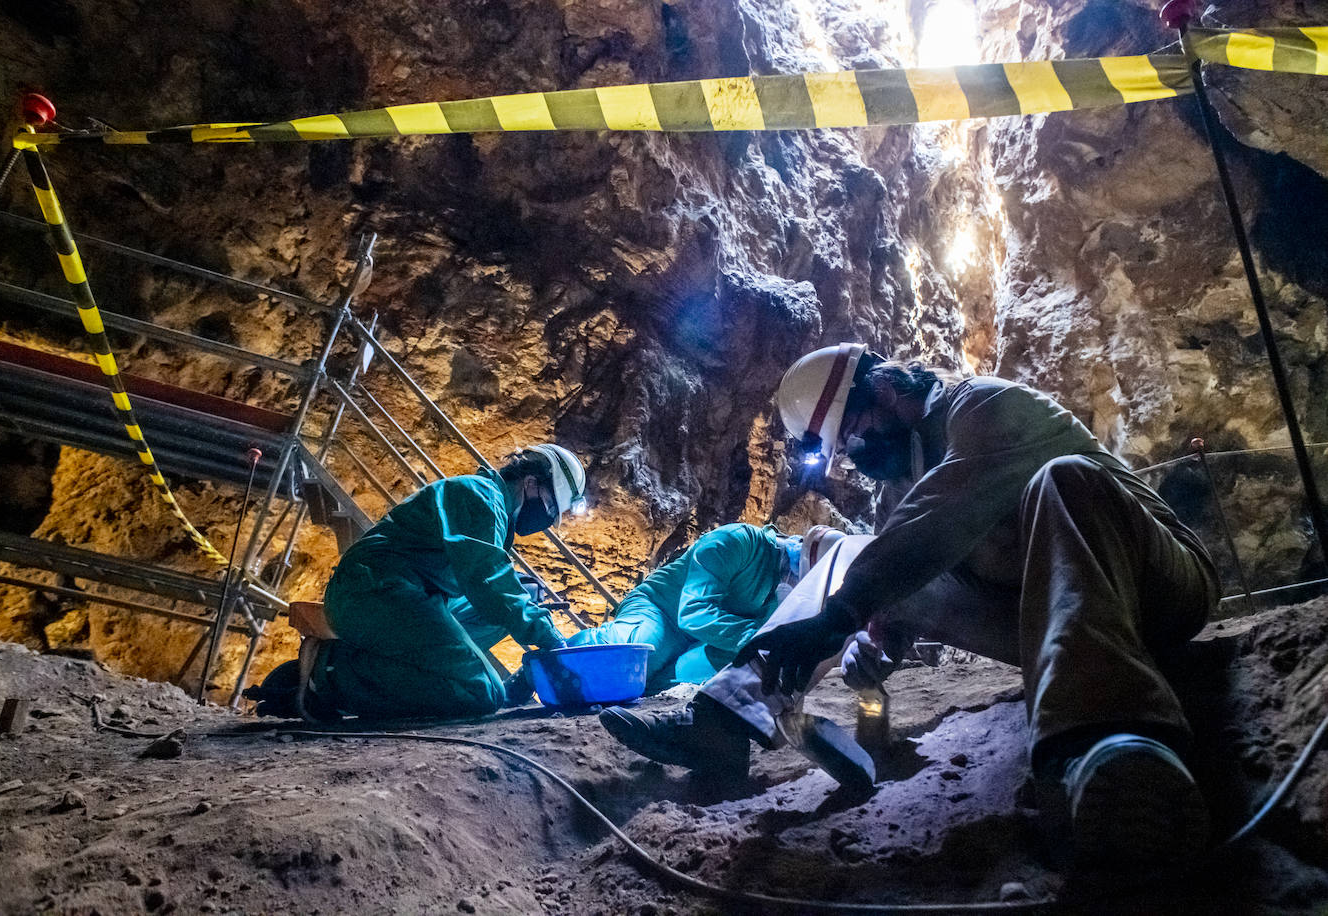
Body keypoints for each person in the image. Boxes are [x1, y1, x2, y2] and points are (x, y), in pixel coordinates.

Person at [601, 344, 1219, 869]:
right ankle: (724, 721)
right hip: (1041, 613)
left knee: (1065, 478)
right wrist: (871, 649)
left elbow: (934, 525)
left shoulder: (982, 407)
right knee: (847, 550)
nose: (856, 456)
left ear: (889, 388)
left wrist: (839, 617)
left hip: (1158, 585)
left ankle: (1113, 750)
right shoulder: (902, 489)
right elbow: (900, 568)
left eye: (855, 435)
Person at [252, 444, 587, 720]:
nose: (547, 519)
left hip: (409, 593)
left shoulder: (492, 509)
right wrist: (553, 642)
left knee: (527, 589)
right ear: (530, 483)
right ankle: (329, 675)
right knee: (482, 692)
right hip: (375, 591)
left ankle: (415, 667)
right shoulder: (480, 498)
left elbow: (496, 586)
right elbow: (489, 580)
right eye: (548, 506)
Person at [567, 524, 838, 693]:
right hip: (660, 612)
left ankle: (650, 686)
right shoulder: (736, 541)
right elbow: (694, 612)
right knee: (639, 652)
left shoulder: (782, 592)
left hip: (700, 641)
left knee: (656, 686)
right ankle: (551, 660)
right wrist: (758, 637)